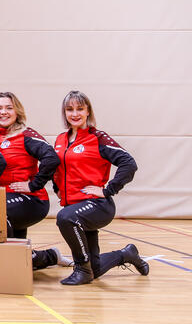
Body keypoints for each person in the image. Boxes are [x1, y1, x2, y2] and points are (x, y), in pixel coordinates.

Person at [51, 90, 148, 285]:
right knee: (94, 267)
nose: (75, 113)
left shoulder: (98, 138)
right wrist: (57, 188)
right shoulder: (61, 139)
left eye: (80, 108)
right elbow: (57, 168)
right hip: (74, 206)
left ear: (88, 112)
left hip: (96, 206)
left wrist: (107, 190)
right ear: (64, 113)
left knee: (65, 218)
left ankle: (81, 270)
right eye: (70, 109)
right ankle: (126, 254)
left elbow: (128, 163)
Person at [0, 92, 59, 242]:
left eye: (9, 108)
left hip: (30, 199)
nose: (3, 112)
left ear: (17, 111)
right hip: (4, 197)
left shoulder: (25, 135)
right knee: (19, 250)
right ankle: (48, 257)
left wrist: (33, 185)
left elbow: (51, 159)